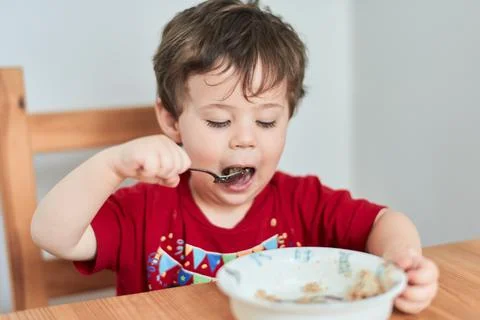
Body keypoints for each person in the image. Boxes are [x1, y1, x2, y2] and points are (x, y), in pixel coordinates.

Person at [31, 0, 438, 314]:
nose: (245, 142)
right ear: (172, 121)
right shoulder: (143, 211)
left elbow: (387, 221)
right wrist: (112, 165)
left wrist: (402, 262)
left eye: (265, 122)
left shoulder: (302, 202)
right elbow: (52, 235)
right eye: (220, 122)